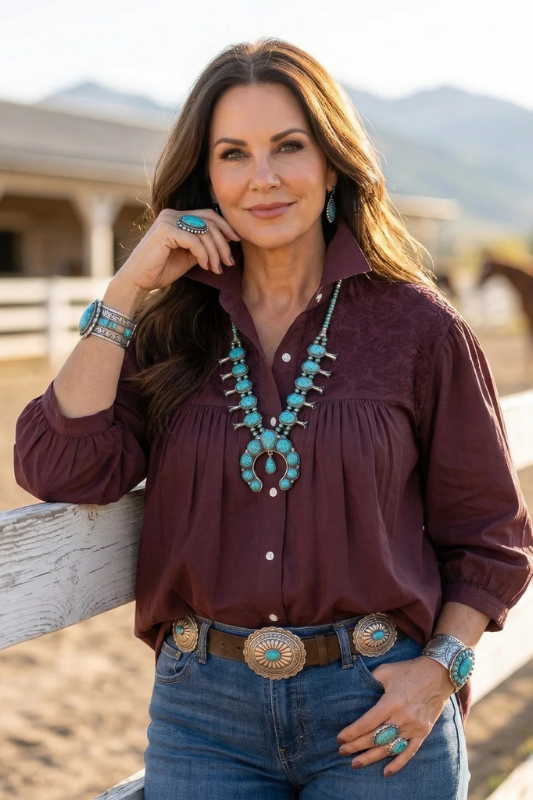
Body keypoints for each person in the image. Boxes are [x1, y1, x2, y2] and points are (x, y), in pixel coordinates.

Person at [13, 39, 533, 800]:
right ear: (207, 178)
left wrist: (438, 673)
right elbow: (63, 468)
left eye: (288, 146)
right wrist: (127, 290)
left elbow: (489, 537)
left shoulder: (419, 328)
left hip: (378, 708)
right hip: (202, 718)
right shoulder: (167, 332)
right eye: (234, 153)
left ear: (332, 164)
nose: (263, 177)